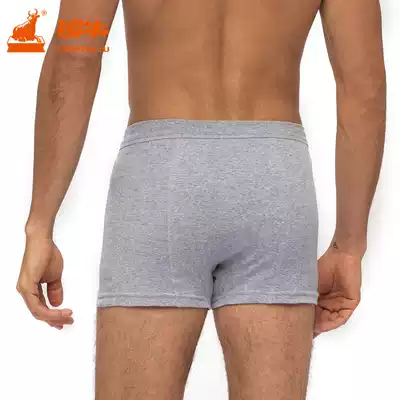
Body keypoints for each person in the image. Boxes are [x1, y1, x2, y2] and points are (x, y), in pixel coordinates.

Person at [16, 0, 386, 399]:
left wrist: (41, 224)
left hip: (160, 177)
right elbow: (364, 87)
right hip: (274, 182)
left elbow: (75, 55)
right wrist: (349, 247)